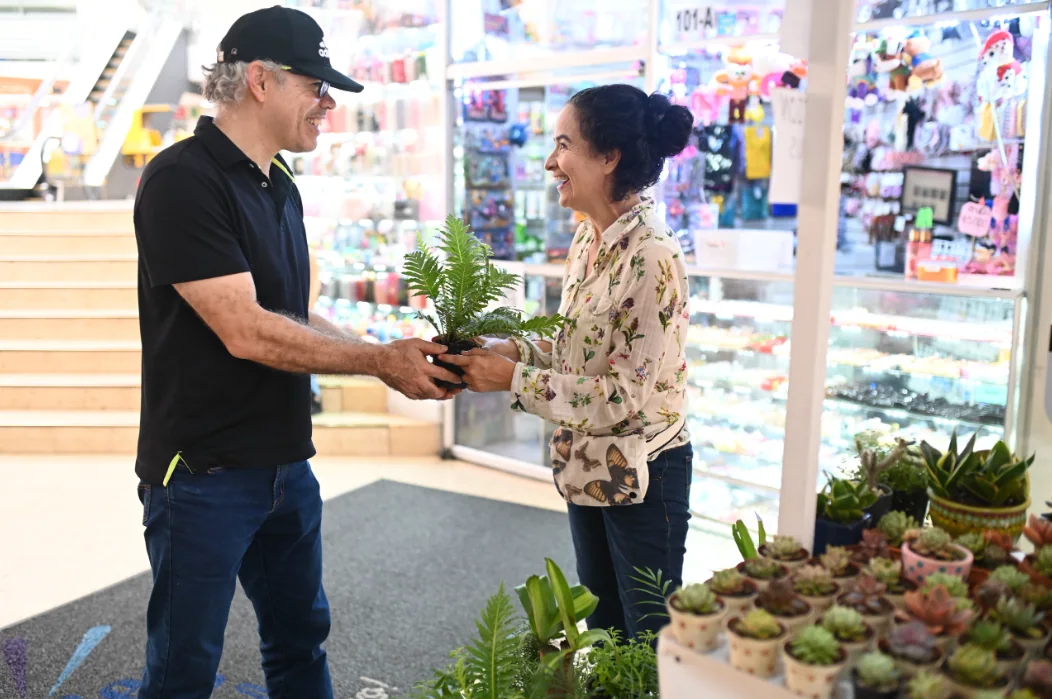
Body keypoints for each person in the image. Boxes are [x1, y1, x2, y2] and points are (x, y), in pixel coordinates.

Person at [131, 7, 460, 698]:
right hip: (203, 473)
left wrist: (392, 354)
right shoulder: (181, 180)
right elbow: (245, 329)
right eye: (315, 85)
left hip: (285, 464)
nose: (329, 104)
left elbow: (292, 313)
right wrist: (378, 362)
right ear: (259, 80)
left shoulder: (279, 185)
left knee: (300, 640)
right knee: (184, 668)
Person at [440, 84, 695, 640]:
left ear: (609, 158)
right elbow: (576, 350)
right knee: (603, 628)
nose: (551, 162)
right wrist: (511, 351)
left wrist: (513, 380)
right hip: (589, 463)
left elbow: (621, 397)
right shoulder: (588, 240)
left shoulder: (652, 256)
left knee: (646, 641)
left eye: (563, 144)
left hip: (644, 472)